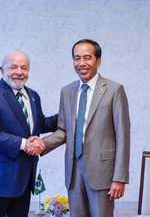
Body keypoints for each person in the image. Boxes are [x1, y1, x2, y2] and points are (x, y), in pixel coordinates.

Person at [37, 39, 131, 217]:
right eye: (77, 58)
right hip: (74, 171)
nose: (81, 63)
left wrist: (119, 178)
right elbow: (64, 131)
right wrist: (41, 144)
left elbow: (123, 136)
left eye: (87, 58)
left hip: (103, 173)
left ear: (98, 61)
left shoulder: (114, 90)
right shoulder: (67, 91)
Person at [0, 50, 57, 217]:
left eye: (24, 68)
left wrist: (69, 114)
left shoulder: (33, 95)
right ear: (2, 70)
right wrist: (26, 144)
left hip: (23, 180)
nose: (19, 72)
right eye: (13, 67)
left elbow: (39, 124)